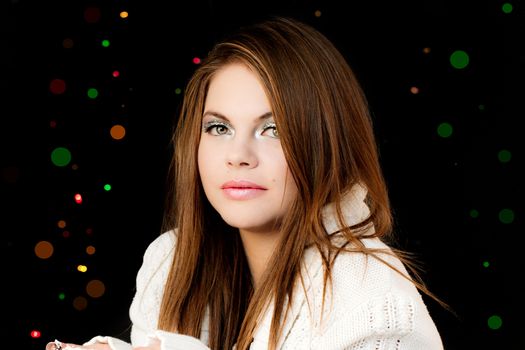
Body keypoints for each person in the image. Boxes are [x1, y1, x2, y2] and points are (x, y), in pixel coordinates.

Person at [47, 16, 447, 350]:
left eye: (273, 129)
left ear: (328, 144)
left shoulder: (372, 301)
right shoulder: (169, 263)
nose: (238, 155)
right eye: (219, 127)